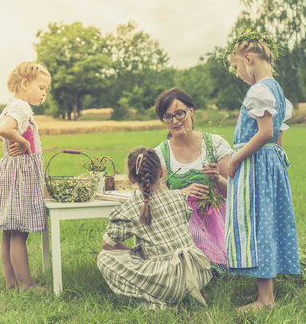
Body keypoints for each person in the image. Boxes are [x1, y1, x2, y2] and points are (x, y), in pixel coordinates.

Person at [223, 29, 300, 311]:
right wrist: (273, 165)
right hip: (269, 165)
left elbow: (265, 133)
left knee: (257, 225)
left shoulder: (259, 90)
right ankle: (265, 293)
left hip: (255, 165)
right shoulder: (276, 89)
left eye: (236, 67)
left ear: (248, 59)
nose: (237, 73)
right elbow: (278, 138)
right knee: (267, 223)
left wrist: (236, 158)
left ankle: (265, 299)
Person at [97, 147, 212, 309]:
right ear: (161, 172)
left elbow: (107, 245)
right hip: (198, 271)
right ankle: (191, 293)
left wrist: (133, 250)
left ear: (130, 178)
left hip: (169, 280)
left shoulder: (131, 208)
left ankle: (155, 304)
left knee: (103, 258)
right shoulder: (178, 197)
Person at [0, 61, 51, 292]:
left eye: (46, 89)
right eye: (41, 87)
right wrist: (22, 142)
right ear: (25, 84)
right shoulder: (21, 107)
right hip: (22, 175)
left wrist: (14, 140)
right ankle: (26, 285)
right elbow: (3, 130)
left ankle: (11, 282)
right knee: (19, 231)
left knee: (9, 233)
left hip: (11, 172)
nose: (44, 93)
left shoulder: (11, 105)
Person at [154, 88, 231, 274]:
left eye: (179, 113)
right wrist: (181, 193)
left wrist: (217, 178)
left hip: (217, 220)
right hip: (183, 222)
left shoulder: (216, 144)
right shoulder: (159, 154)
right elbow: (159, 199)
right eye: (168, 116)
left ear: (191, 111)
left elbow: (233, 191)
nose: (175, 121)